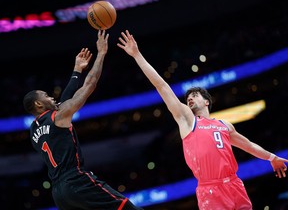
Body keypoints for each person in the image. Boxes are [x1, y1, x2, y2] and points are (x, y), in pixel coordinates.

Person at [117, 30, 288, 209]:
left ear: (206, 101)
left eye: (195, 95)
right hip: (210, 190)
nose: (190, 98)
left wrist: (271, 157)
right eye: (188, 97)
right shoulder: (188, 121)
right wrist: (137, 55)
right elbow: (162, 86)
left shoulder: (224, 125)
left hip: (234, 184)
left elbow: (249, 145)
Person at [23, 30, 143, 210]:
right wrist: (101, 53)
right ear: (39, 104)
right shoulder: (58, 116)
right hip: (76, 181)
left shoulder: (33, 130)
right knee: (127, 208)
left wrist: (77, 70)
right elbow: (90, 84)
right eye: (47, 96)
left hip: (59, 194)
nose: (52, 98)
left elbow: (64, 102)